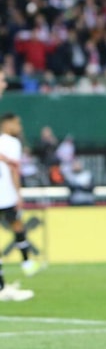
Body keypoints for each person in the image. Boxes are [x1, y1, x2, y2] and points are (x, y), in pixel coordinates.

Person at [0, 111, 38, 301]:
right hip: (6, 195)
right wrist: (18, 194)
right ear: (7, 124)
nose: (19, 127)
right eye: (17, 123)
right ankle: (26, 263)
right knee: (17, 225)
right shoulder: (12, 143)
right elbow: (14, 169)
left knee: (17, 225)